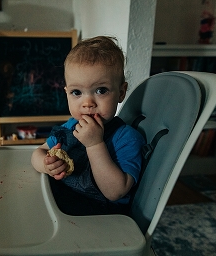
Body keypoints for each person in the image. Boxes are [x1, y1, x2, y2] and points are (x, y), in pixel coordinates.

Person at [31, 36, 145, 215]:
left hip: (99, 217)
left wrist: (95, 144)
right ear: (67, 93)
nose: (88, 102)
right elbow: (38, 153)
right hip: (60, 205)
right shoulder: (70, 127)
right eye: (77, 92)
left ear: (121, 92)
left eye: (101, 90)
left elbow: (115, 192)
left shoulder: (127, 138)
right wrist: (47, 165)